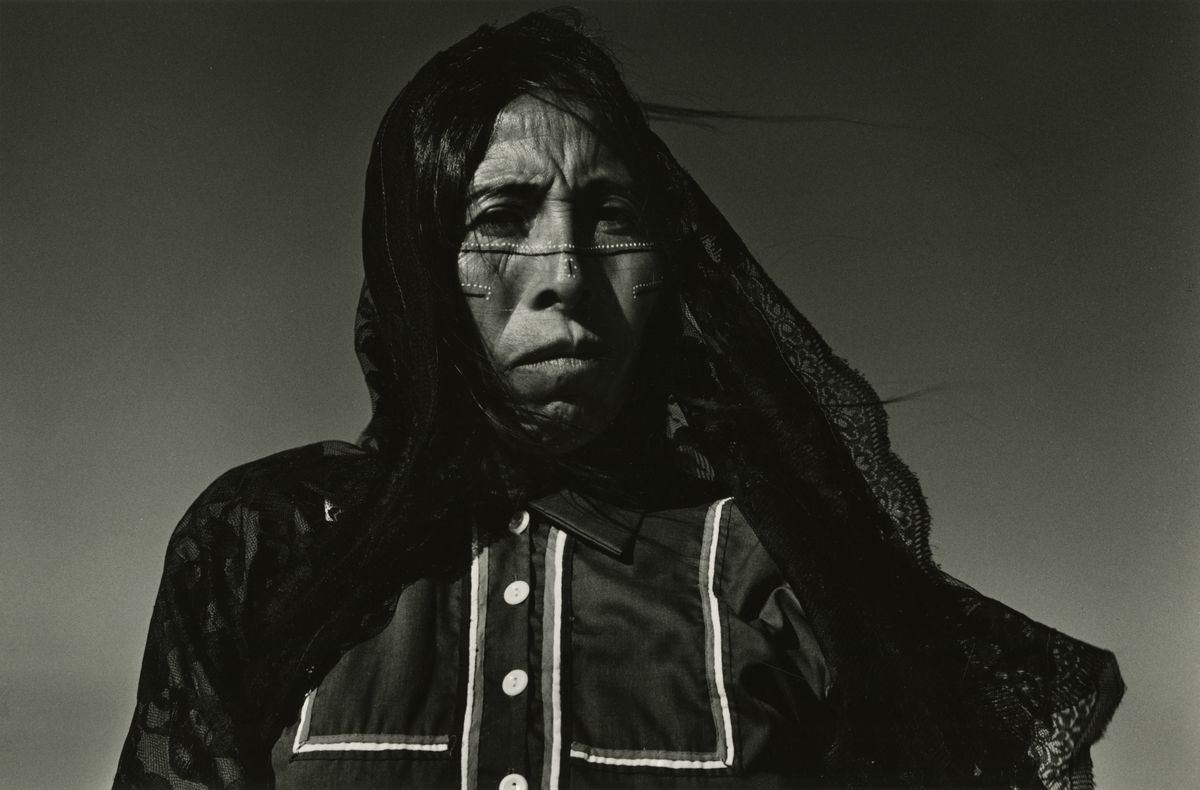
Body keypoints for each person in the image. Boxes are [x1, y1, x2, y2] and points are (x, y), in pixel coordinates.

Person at [114, 11, 1122, 790]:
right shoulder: (267, 546)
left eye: (613, 217)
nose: (565, 272)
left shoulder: (777, 570)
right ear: (420, 260)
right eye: (500, 216)